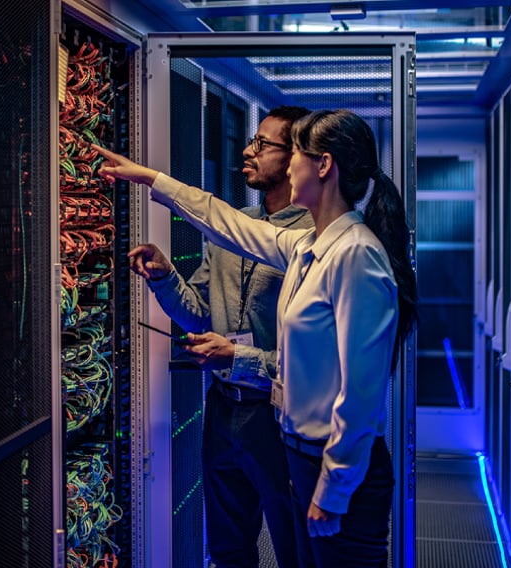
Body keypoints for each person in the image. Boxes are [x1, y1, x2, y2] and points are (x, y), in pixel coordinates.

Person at [94, 108, 418, 568]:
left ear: (323, 166)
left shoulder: (356, 256)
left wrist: (333, 489)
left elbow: (362, 393)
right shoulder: (309, 247)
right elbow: (225, 222)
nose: (288, 168)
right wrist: (149, 179)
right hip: (301, 455)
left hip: (333, 467)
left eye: (296, 156)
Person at [125, 106, 314, 568]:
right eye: (251, 140)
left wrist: (239, 354)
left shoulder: (314, 239)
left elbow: (316, 361)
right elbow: (199, 317)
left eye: (263, 144)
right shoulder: (231, 230)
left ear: (295, 159)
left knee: (295, 547)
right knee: (228, 549)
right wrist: (165, 276)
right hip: (224, 409)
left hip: (279, 414)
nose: (248, 151)